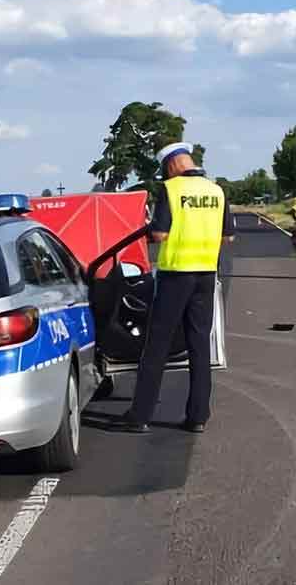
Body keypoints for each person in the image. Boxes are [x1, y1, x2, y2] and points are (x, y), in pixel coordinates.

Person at [118, 142, 234, 434]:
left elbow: (158, 233)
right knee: (199, 346)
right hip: (205, 275)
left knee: (157, 345)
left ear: (171, 165)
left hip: (174, 277)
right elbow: (228, 238)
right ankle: (198, 416)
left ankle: (140, 415)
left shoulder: (170, 191)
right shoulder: (216, 191)